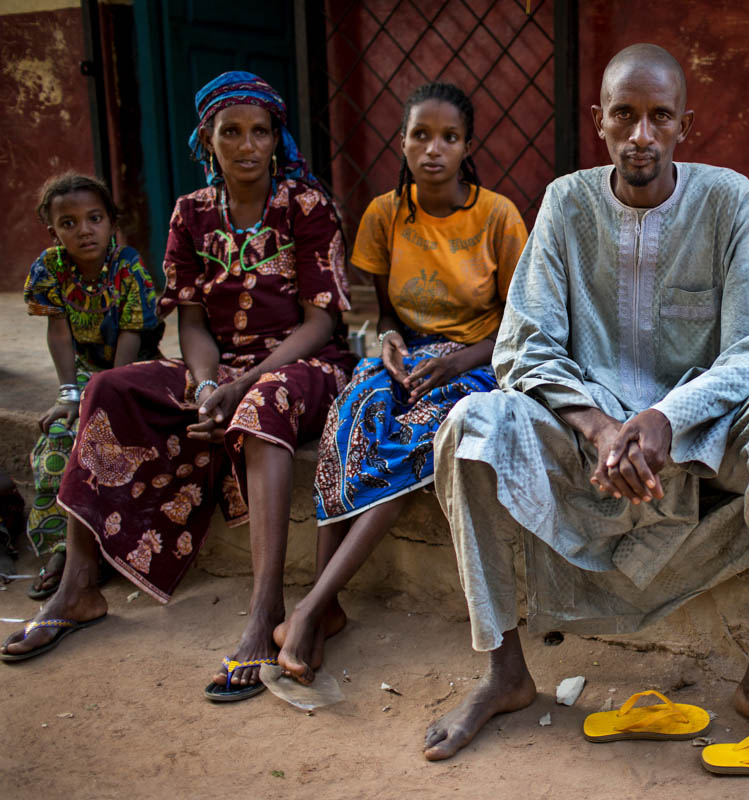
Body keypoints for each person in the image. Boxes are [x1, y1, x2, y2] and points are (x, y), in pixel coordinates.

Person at [424, 44, 749, 793]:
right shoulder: (566, 202)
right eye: (624, 115)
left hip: (703, 429)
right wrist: (601, 428)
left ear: (685, 124)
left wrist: (665, 417)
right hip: (589, 437)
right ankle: (504, 671)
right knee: (469, 426)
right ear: (600, 123)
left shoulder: (727, 199)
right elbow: (523, 344)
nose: (641, 133)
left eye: (659, 116)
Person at [1, 72, 357, 704]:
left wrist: (241, 382)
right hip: (216, 370)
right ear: (207, 139)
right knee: (108, 387)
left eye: (261, 131)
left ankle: (262, 611)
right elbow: (192, 320)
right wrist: (201, 387)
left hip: (307, 366)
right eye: (231, 132)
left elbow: (322, 320)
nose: (248, 145)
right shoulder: (190, 214)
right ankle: (78, 586)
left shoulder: (305, 207)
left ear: (278, 138)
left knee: (261, 401)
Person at [275, 82, 528, 683]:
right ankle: (326, 603)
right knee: (348, 420)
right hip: (406, 355)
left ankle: (308, 610)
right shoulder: (386, 213)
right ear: (404, 141)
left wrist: (462, 361)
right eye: (421, 135)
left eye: (449, 137)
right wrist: (385, 339)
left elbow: (525, 323)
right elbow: (377, 309)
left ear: (468, 146)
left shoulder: (497, 215)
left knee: (410, 446)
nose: (433, 149)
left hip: (478, 365)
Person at [21, 173, 162, 599]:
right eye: (69, 223)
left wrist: (104, 397)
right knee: (58, 442)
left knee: (105, 438)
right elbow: (60, 332)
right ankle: (61, 551)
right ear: (53, 231)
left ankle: (106, 549)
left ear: (111, 222)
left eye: (94, 218)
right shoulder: (50, 269)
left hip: (134, 370)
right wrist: (69, 394)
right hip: (86, 370)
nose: (83, 230)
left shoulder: (128, 267)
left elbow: (133, 338)